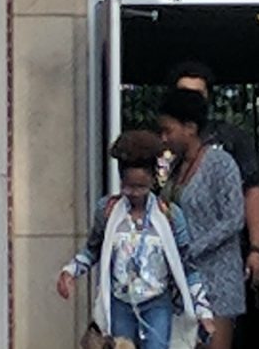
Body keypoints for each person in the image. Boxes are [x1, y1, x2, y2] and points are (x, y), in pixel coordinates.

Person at [58, 131, 216, 349]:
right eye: (128, 186)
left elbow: (187, 265)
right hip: (120, 303)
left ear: (152, 180)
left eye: (141, 187)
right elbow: (93, 249)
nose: (133, 193)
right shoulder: (107, 211)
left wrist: (203, 310)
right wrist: (71, 271)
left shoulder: (170, 216)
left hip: (157, 303)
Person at [156, 88, 247, 349]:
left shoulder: (220, 163)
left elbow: (234, 218)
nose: (164, 138)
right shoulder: (175, 168)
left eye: (168, 130)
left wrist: (192, 248)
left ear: (190, 128)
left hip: (217, 282)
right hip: (182, 284)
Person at [168, 62, 259, 287]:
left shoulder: (230, 139)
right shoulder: (164, 140)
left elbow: (252, 190)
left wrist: (257, 249)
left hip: (220, 259)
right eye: (185, 94)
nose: (191, 101)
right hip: (170, 261)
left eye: (198, 95)